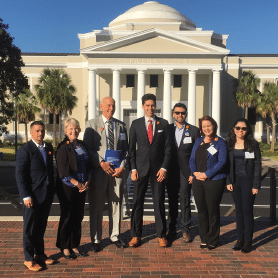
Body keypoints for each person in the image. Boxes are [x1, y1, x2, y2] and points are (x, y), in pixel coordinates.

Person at [83, 97, 128, 252]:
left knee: (116, 206)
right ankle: (96, 239)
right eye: (108, 105)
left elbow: (125, 150)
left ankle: (115, 235)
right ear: (101, 106)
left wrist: (122, 166)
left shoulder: (121, 126)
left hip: (117, 173)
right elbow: (88, 149)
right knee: (97, 206)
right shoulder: (92, 125)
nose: (111, 108)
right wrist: (101, 163)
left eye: (113, 105)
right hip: (99, 172)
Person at [129, 93, 171, 248]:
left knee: (159, 203)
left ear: (156, 106)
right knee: (137, 203)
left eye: (152, 105)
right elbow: (131, 149)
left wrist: (164, 168)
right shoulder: (136, 124)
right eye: (147, 105)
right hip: (140, 170)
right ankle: (135, 235)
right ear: (142, 106)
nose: (150, 108)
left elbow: (168, 148)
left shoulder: (163, 124)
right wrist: (133, 168)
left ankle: (161, 235)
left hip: (158, 171)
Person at [15, 121, 55, 271]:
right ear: (31, 133)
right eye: (37, 131)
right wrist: (25, 195)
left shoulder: (48, 148)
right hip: (32, 196)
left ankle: (40, 254)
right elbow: (20, 174)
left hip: (46, 195)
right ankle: (28, 258)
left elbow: (49, 171)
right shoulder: (25, 150)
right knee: (30, 228)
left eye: (42, 131)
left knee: (40, 227)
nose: (40, 134)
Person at [189, 116, 227, 250]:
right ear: (201, 128)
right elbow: (192, 159)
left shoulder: (220, 142)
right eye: (204, 126)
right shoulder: (198, 141)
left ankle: (213, 239)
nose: (206, 128)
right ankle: (204, 237)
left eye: (208, 125)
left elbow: (222, 162)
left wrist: (206, 174)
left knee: (212, 210)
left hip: (214, 180)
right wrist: (195, 173)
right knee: (201, 211)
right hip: (198, 180)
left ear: (214, 126)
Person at [55, 118, 91, 259]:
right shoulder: (63, 147)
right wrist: (77, 183)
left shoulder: (81, 145)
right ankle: (64, 246)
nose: (73, 131)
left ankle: (74, 244)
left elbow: (88, 164)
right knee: (67, 217)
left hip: (82, 186)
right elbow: (63, 172)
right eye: (70, 128)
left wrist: (87, 181)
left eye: (76, 128)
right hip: (68, 187)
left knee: (78, 216)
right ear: (65, 130)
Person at [226, 118, 262, 253]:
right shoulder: (229, 143)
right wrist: (228, 181)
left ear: (247, 130)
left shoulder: (252, 144)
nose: (240, 130)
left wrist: (256, 184)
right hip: (235, 182)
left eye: (244, 128)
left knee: (247, 211)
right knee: (239, 211)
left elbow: (258, 165)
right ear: (234, 129)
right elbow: (226, 165)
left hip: (248, 181)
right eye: (238, 128)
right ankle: (239, 239)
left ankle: (248, 241)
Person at [166, 103, 200, 242]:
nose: (180, 115)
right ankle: (172, 228)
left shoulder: (193, 130)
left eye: (183, 113)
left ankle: (186, 230)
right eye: (178, 113)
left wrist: (194, 172)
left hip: (186, 171)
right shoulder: (167, 129)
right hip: (171, 170)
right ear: (173, 114)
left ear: (185, 114)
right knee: (172, 201)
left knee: (185, 200)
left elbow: (197, 153)